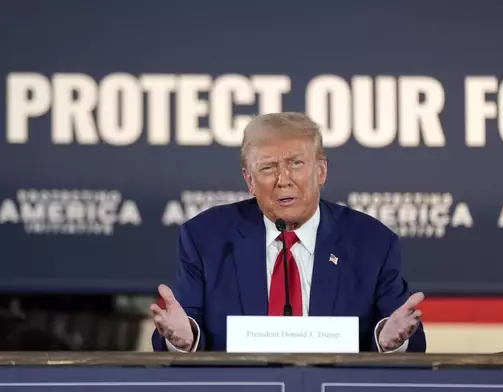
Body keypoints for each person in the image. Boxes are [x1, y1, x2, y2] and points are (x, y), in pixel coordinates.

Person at [150, 112, 426, 352]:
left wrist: (390, 342)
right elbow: (184, 327)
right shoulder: (206, 238)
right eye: (268, 168)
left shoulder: (372, 242)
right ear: (249, 180)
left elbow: (407, 339)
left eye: (295, 163)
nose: (283, 180)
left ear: (321, 171)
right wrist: (185, 340)